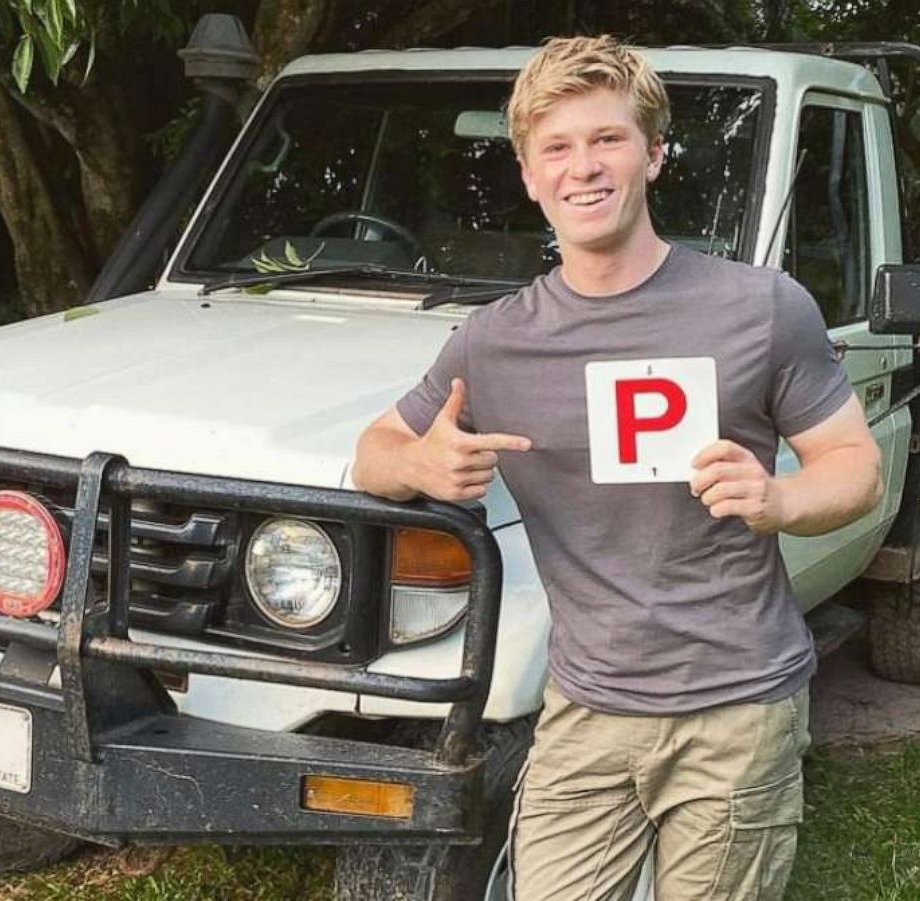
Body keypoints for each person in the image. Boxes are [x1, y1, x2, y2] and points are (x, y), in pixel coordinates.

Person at [350, 35, 883, 900]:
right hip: (585, 708)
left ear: (655, 154)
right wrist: (421, 458)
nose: (583, 168)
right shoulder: (495, 341)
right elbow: (372, 455)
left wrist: (779, 494)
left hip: (737, 707)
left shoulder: (762, 308)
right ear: (528, 175)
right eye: (556, 147)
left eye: (608, 139)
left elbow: (856, 467)